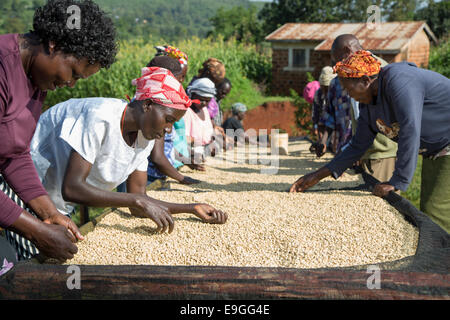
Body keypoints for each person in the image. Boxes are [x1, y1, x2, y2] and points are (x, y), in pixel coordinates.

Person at [29, 67, 227, 257]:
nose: (168, 129)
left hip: (58, 208)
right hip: (27, 197)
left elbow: (137, 199)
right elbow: (72, 188)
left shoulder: (145, 138)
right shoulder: (100, 117)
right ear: (147, 105)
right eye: (167, 119)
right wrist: (137, 200)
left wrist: (191, 208)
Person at [0, 0, 118, 265]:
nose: (70, 84)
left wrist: (49, 213)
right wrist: (35, 230)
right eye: (73, 72)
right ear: (53, 43)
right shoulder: (3, 67)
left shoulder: (36, 80)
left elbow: (15, 155)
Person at [290, 50, 450, 233]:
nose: (350, 95)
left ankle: (441, 260)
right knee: (431, 208)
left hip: (447, 143)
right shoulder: (368, 104)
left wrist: (397, 181)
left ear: (366, 80)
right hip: (434, 149)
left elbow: (410, 128)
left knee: (435, 213)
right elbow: (358, 146)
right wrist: (316, 176)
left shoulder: (399, 81)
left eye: (350, 89)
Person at [330, 34, 398, 183]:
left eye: (339, 59)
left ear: (347, 50)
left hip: (381, 153)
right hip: (366, 150)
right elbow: (360, 115)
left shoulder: (378, 68)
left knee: (382, 200)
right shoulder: (354, 70)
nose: (340, 65)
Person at [184, 78, 219, 161]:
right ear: (192, 95)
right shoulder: (186, 112)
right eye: (201, 99)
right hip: (190, 150)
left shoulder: (205, 110)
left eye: (207, 101)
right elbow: (185, 138)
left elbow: (208, 132)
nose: (204, 103)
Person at [310, 66, 336, 157]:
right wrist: (321, 141)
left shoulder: (337, 95)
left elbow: (336, 119)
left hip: (336, 125)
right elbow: (316, 113)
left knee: (334, 146)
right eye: (323, 87)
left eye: (327, 87)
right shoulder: (318, 94)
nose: (325, 90)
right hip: (324, 122)